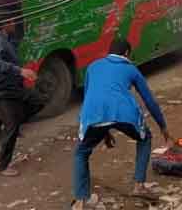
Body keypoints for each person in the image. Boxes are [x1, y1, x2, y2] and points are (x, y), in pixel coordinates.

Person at [71, 39, 172, 210]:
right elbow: (149, 101)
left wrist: (104, 132)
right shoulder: (130, 68)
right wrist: (163, 127)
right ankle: (138, 185)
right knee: (145, 138)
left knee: (81, 153)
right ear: (126, 54)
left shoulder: (93, 67)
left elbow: (92, 97)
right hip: (124, 113)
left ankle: (80, 201)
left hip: (92, 115)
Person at [0, 17, 43, 177]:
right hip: (1, 91)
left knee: (38, 101)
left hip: (12, 88)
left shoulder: (3, 39)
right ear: (5, 25)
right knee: (12, 128)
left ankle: (11, 122)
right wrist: (21, 71)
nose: (14, 24)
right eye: (12, 22)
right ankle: (2, 166)